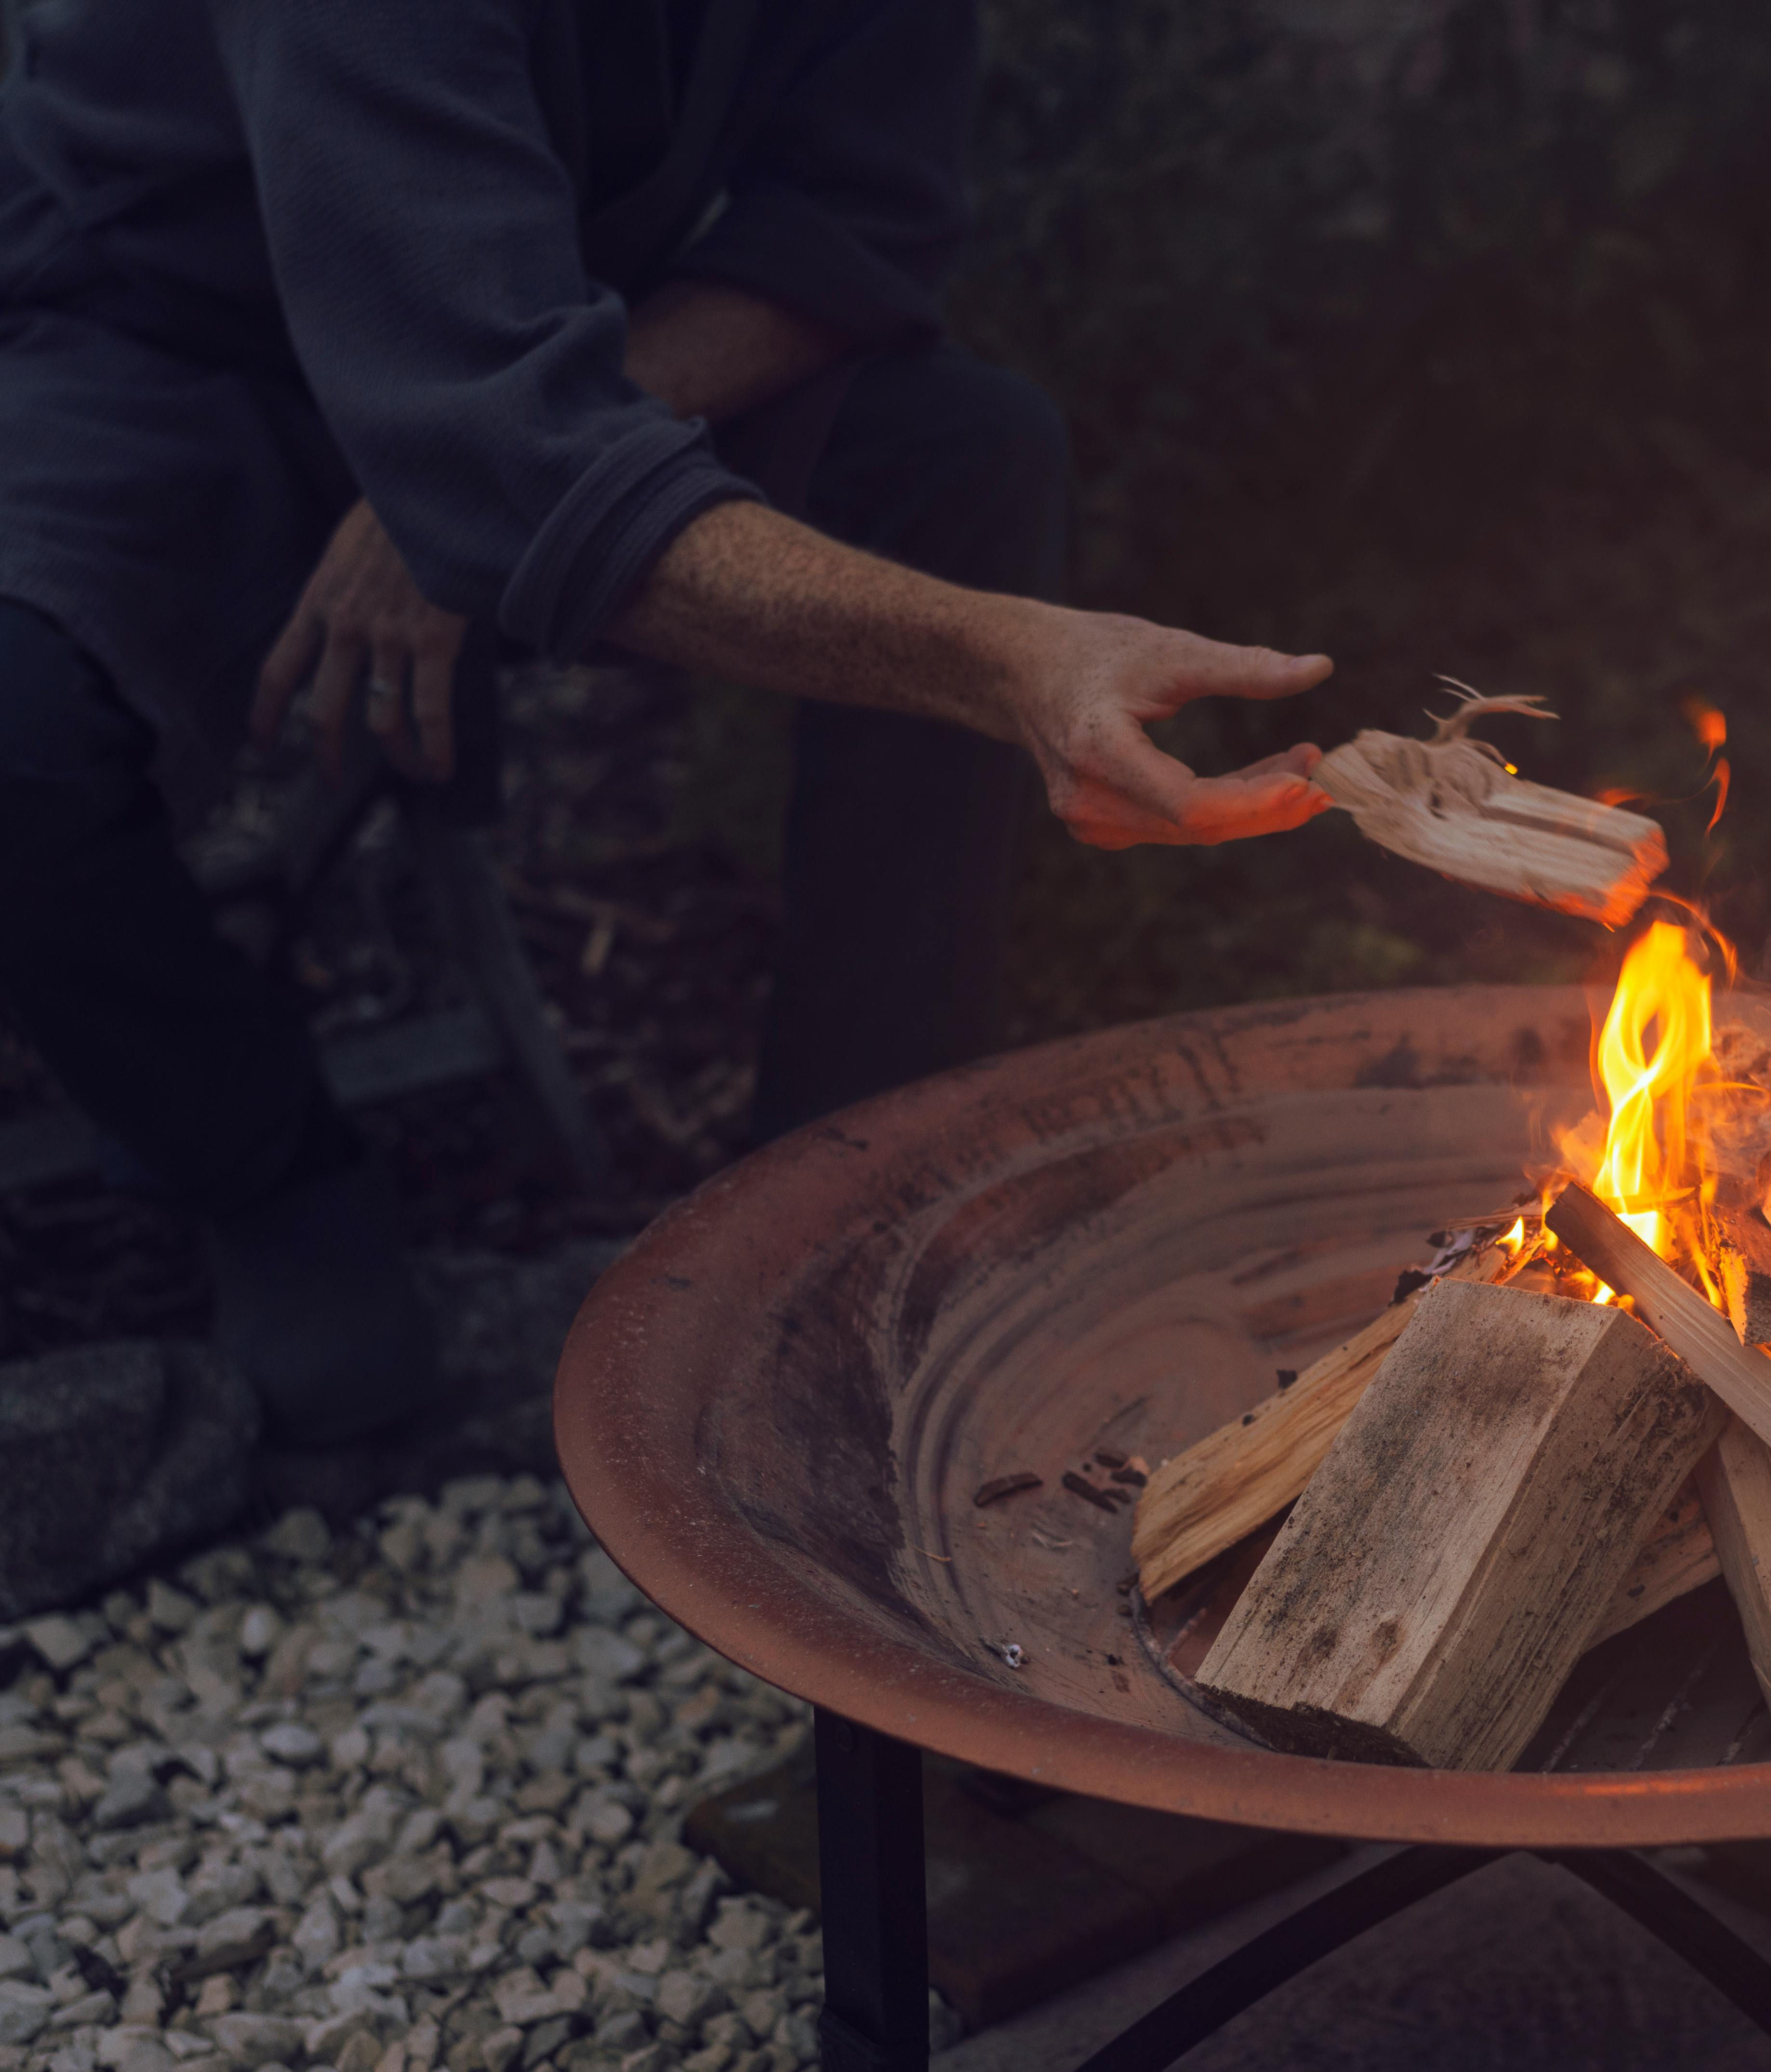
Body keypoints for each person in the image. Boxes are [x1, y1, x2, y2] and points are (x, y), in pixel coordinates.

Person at [0, 0, 1333, 1483]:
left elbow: (853, 231)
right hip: (163, 339)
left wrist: (487, 447)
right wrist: (1003, 660)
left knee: (966, 451)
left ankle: (860, 1198)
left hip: (513, 317)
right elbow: (504, 466)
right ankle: (256, 1161)